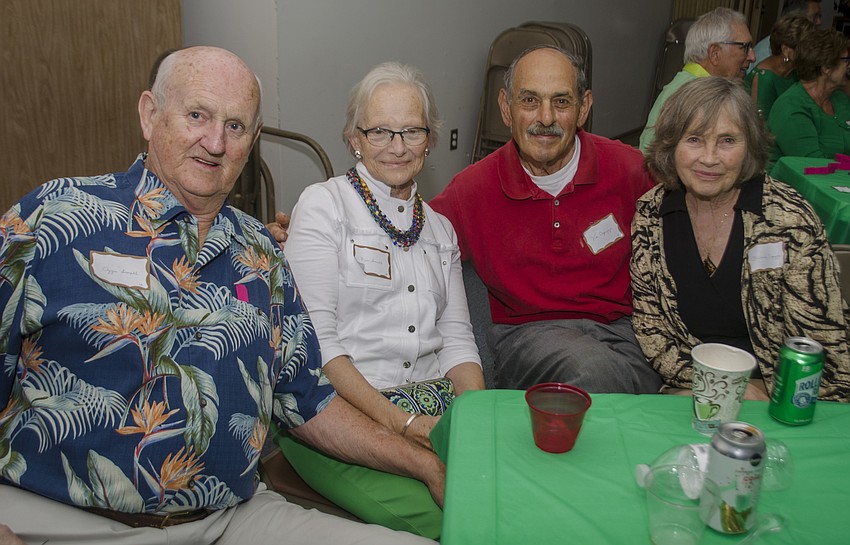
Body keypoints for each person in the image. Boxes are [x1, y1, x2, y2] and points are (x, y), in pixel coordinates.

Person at [0, 46, 442, 545]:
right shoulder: (53, 219)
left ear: (252, 140)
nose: (214, 142)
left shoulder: (261, 254)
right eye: (197, 115)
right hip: (61, 518)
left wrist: (423, 463)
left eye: (236, 127)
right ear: (150, 115)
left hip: (231, 519)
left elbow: (310, 404)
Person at [273, 62, 484, 539]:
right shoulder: (324, 206)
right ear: (354, 136)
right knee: (453, 522)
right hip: (340, 416)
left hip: (434, 407)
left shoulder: (440, 230)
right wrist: (402, 422)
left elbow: (457, 341)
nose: (397, 146)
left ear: (429, 139)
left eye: (411, 130)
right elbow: (318, 344)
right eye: (380, 131)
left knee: (496, 492)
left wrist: (476, 421)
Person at [429, 45, 662, 393]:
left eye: (562, 102)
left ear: (584, 108)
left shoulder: (630, 171)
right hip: (528, 336)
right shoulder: (472, 190)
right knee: (599, 373)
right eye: (529, 101)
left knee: (645, 374)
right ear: (506, 109)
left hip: (623, 328)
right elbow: (414, 241)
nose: (547, 118)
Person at [632, 76, 850, 402]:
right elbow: (651, 328)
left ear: (750, 146)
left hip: (782, 396)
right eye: (694, 139)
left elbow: (826, 348)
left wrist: (764, 392)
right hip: (691, 387)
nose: (709, 157)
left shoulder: (788, 221)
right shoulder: (651, 215)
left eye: (727, 141)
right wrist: (716, 386)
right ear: (671, 145)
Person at [639, 7, 756, 153]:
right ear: (714, 53)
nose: (753, 57)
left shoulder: (687, 84)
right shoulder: (697, 97)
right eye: (745, 47)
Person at [768, 28, 850, 165]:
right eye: (846, 60)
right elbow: (811, 164)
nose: (848, 66)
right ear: (826, 68)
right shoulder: (791, 107)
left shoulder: (840, 99)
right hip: (795, 184)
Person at [743, 14, 816, 117]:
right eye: (806, 48)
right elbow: (761, 126)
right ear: (786, 50)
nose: (812, 53)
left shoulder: (794, 71)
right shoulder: (764, 78)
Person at [749, 0, 823, 74]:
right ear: (795, 18)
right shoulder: (765, 53)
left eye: (819, 16)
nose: (819, 22)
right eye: (815, 16)